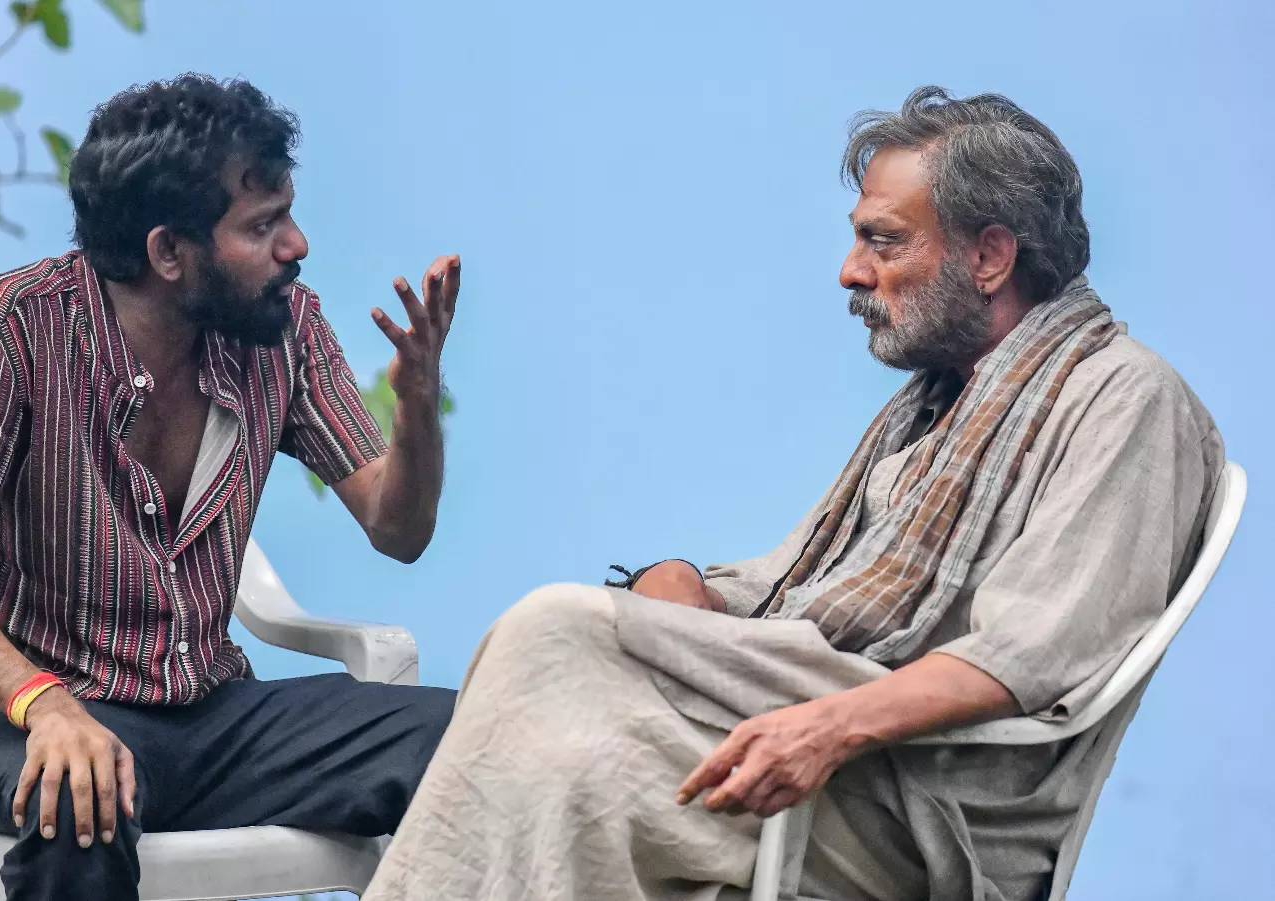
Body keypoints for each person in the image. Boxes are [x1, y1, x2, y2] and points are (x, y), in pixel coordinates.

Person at [362, 86, 1224, 901]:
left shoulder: (1126, 397)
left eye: (884, 241)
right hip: (824, 731)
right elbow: (791, 589)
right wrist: (683, 585)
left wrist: (829, 728)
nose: (851, 271)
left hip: (929, 799)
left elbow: (1031, 653)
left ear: (991, 255)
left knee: (555, 639)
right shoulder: (934, 406)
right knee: (553, 734)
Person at [0, 74, 460, 901]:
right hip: (42, 714)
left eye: (288, 214)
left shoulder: (285, 331)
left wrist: (417, 407)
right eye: (262, 225)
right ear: (167, 253)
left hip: (214, 716)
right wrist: (46, 706)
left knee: (469, 740)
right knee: (75, 799)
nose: (296, 244)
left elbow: (396, 527)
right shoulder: (13, 326)